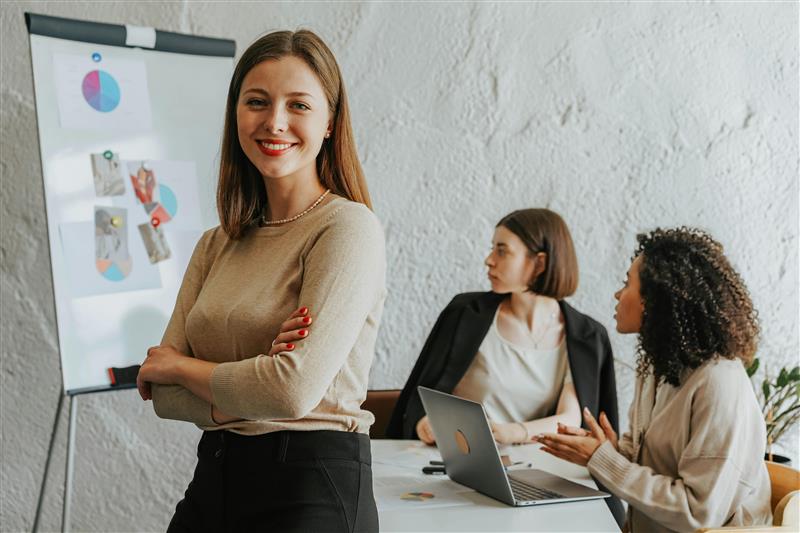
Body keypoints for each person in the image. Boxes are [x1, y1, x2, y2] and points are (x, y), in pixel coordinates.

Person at [136, 29, 385, 532]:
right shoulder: (216, 243)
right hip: (216, 478)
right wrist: (252, 380)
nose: (275, 122)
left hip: (311, 486)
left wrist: (184, 366)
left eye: (299, 105)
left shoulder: (346, 227)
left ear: (330, 122)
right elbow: (162, 398)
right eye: (257, 101)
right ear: (236, 113)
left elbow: (292, 391)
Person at [534, 227, 772, 532]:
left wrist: (604, 460)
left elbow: (698, 512)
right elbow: (650, 466)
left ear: (656, 301)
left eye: (627, 284)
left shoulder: (718, 383)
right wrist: (610, 452)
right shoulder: (657, 367)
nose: (618, 294)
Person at [386, 208, 619, 444]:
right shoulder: (465, 313)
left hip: (536, 468)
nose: (489, 260)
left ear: (540, 263)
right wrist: (423, 423)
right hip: (454, 458)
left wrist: (510, 433)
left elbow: (570, 419)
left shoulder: (586, 336)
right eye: (492, 248)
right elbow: (420, 397)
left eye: (502, 250)